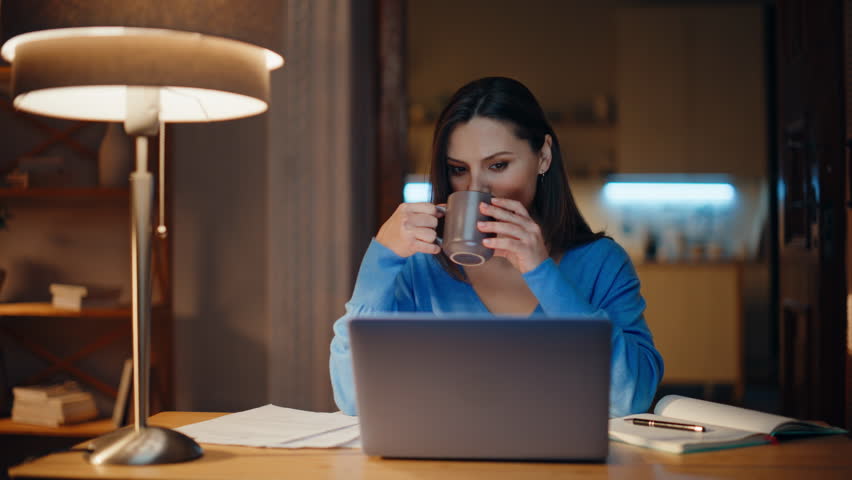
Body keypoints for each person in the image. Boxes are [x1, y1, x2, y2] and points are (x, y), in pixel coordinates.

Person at [330, 76, 663, 417]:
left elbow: (628, 398)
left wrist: (542, 272)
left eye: (498, 165)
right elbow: (354, 399)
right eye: (458, 170)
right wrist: (380, 260)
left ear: (544, 156)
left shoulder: (602, 265)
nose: (477, 189)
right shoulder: (422, 267)